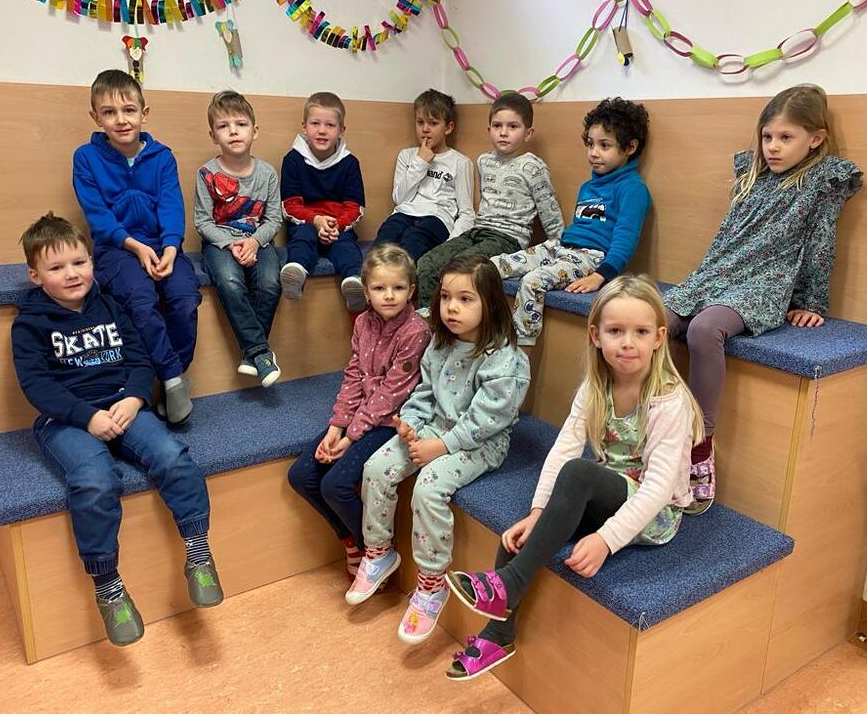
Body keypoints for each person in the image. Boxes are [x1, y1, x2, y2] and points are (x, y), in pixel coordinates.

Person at [444, 275, 703, 679]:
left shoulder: (669, 399)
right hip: (607, 491)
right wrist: (537, 513)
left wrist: (606, 540)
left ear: (658, 338)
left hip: (655, 512)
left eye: (640, 332)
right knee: (518, 538)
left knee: (579, 473)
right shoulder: (596, 386)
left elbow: (658, 488)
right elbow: (564, 447)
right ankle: (498, 634)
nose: (628, 343)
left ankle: (507, 584)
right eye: (616, 331)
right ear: (596, 335)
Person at [11, 214, 222, 647]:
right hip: (67, 420)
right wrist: (87, 417)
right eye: (56, 268)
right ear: (35, 276)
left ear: (92, 262)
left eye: (79, 262)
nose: (72, 274)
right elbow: (37, 386)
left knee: (172, 456)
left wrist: (134, 398)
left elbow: (140, 361)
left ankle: (199, 554)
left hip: (123, 406)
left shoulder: (110, 306)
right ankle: (108, 588)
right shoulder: (30, 324)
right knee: (94, 480)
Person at [663, 84, 862, 513]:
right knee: (651, 321)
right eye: (767, 136)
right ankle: (643, 428)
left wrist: (812, 302)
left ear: (816, 138)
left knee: (704, 329)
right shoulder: (751, 174)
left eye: (786, 137)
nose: (773, 146)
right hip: (717, 273)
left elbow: (821, 243)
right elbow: (727, 238)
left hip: (764, 283)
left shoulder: (821, 182)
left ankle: (700, 447)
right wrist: (701, 279)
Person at [345, 256, 531, 646]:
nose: (451, 308)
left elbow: (487, 420)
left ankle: (432, 584)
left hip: (480, 443)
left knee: (429, 487)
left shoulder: (505, 359)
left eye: (465, 299)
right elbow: (424, 394)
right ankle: (378, 552)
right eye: (445, 297)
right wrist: (410, 422)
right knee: (376, 467)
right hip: (435, 427)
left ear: (490, 303)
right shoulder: (440, 344)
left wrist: (441, 447)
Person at [287, 243, 430, 580]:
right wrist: (336, 427)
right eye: (379, 288)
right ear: (366, 291)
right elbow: (353, 376)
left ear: (411, 290)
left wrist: (349, 439)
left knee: (335, 485)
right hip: (359, 418)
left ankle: (377, 551)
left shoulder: (416, 331)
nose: (389, 296)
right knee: (301, 475)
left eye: (398, 288)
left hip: (390, 421)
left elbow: (390, 395)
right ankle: (352, 540)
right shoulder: (364, 322)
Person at [73, 69, 200, 424]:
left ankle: (174, 377)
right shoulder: (86, 157)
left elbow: (172, 205)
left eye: (129, 110)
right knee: (141, 301)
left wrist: (171, 248)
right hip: (116, 248)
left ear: (144, 113)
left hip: (163, 244)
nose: (121, 120)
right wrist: (135, 247)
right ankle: (172, 379)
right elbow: (97, 215)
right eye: (109, 112)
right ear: (95, 117)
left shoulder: (162, 157)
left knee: (185, 298)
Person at [493, 97, 651, 347]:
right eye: (590, 144)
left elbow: (625, 240)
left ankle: (519, 354)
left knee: (532, 281)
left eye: (604, 145)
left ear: (630, 147)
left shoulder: (633, 189)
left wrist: (600, 275)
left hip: (591, 258)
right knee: (493, 266)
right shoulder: (588, 186)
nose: (593, 153)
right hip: (560, 247)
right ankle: (484, 338)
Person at [415, 92, 564, 309]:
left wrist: (560, 250)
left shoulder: (533, 167)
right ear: (489, 130)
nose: (503, 132)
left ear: (528, 133)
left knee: (461, 268)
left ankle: (458, 323)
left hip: (508, 238)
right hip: (477, 231)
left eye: (513, 126)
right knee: (427, 263)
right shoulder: (484, 161)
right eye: (497, 126)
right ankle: (429, 321)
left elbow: (550, 212)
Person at [194, 90, 283, 387]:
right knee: (230, 281)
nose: (233, 131)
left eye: (241, 124)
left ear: (254, 131)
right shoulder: (206, 173)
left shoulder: (267, 174)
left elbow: (274, 219)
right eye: (223, 126)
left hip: (259, 239)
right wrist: (231, 244)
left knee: (270, 281)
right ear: (213, 135)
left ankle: (250, 355)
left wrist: (254, 242)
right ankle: (260, 352)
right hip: (220, 243)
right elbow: (202, 222)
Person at [279, 92, 368, 312]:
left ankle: (354, 282)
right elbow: (290, 205)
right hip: (306, 224)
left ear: (341, 130)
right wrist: (316, 220)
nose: (322, 130)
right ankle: (296, 272)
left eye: (330, 125)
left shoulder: (349, 163)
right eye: (315, 123)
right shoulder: (293, 160)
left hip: (338, 227)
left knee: (347, 247)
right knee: (302, 238)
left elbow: (355, 206)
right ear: (304, 126)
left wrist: (337, 225)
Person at [373, 88, 474, 260]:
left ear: (448, 128)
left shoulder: (461, 162)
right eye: (420, 122)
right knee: (385, 239)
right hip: (404, 214)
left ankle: (402, 277)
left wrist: (451, 243)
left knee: (413, 240)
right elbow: (399, 199)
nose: (425, 129)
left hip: (437, 219)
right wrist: (420, 162)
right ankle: (369, 275)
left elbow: (467, 212)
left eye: (433, 123)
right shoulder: (406, 155)